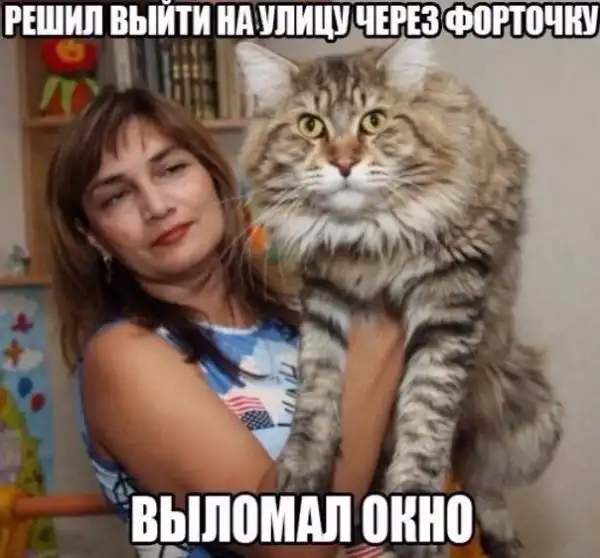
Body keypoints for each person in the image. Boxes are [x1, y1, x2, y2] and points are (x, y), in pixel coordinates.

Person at [45, 86, 406, 558]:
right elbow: (290, 547)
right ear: (93, 237)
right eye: (116, 197)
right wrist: (380, 325)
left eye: (171, 169)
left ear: (213, 177)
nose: (157, 206)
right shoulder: (123, 356)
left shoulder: (297, 318)